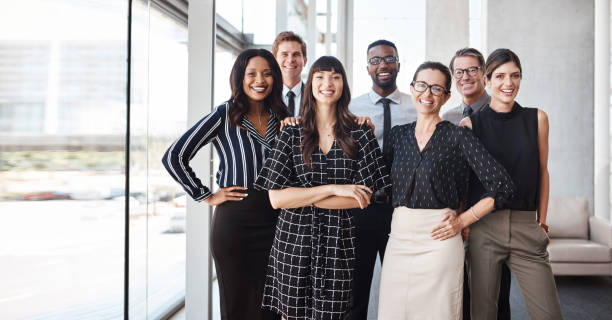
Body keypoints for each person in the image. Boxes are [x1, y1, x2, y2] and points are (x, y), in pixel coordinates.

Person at [254, 56, 390, 320]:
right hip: (293, 241)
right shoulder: (291, 133)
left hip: (339, 243)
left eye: (335, 77)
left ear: (344, 85)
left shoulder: (361, 133)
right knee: (290, 316)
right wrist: (337, 189)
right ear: (310, 85)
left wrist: (301, 197)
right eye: (320, 77)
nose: (327, 83)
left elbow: (360, 199)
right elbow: (276, 199)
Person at [377, 61, 515, 320]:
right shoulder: (398, 136)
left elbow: (502, 186)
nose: (427, 94)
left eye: (436, 88)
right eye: (421, 85)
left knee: (438, 312)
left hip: (439, 239)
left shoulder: (458, 136)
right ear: (412, 88)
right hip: (399, 238)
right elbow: (377, 182)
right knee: (394, 312)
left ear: (447, 97)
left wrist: (463, 219)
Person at [162, 49, 288, 320]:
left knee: (272, 308)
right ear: (239, 78)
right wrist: (205, 195)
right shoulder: (225, 115)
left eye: (267, 73)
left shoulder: (283, 116)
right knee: (236, 306)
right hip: (235, 223)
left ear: (275, 79)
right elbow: (174, 156)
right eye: (251, 73)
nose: (260, 80)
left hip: (278, 220)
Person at [461, 48, 563, 320]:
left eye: (515, 76)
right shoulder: (470, 125)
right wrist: (467, 224)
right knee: (483, 313)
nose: (509, 83)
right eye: (501, 76)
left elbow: (543, 171)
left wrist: (541, 221)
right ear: (487, 80)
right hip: (484, 229)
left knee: (549, 314)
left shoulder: (537, 118)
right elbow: (466, 181)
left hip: (526, 226)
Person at [347, 39, 416, 320]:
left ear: (398, 64)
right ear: (367, 68)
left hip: (401, 209)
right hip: (361, 208)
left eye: (389, 59)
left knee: (401, 291)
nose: (383, 65)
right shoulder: (350, 108)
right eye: (375, 60)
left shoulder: (416, 107)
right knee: (356, 292)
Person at [442, 47, 512, 320]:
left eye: (472, 69)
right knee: (460, 294)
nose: (466, 76)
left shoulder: (502, 112)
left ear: (484, 74)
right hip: (456, 215)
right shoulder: (447, 119)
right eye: (459, 71)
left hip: (493, 215)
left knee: (495, 298)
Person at [272, 31, 307, 116]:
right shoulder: (266, 96)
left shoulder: (314, 96)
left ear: (305, 61)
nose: (290, 60)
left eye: (296, 54)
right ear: (274, 61)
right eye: (284, 54)